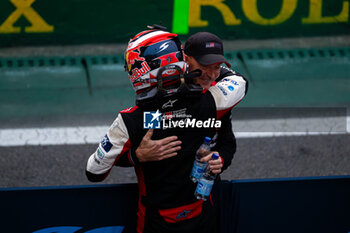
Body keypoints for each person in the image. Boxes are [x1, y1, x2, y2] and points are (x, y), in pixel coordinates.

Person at [86, 26, 248, 233]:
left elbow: (94, 171)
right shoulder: (215, 103)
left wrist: (136, 156)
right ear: (183, 61)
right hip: (203, 212)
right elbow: (240, 81)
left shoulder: (131, 120)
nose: (210, 74)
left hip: (157, 220)